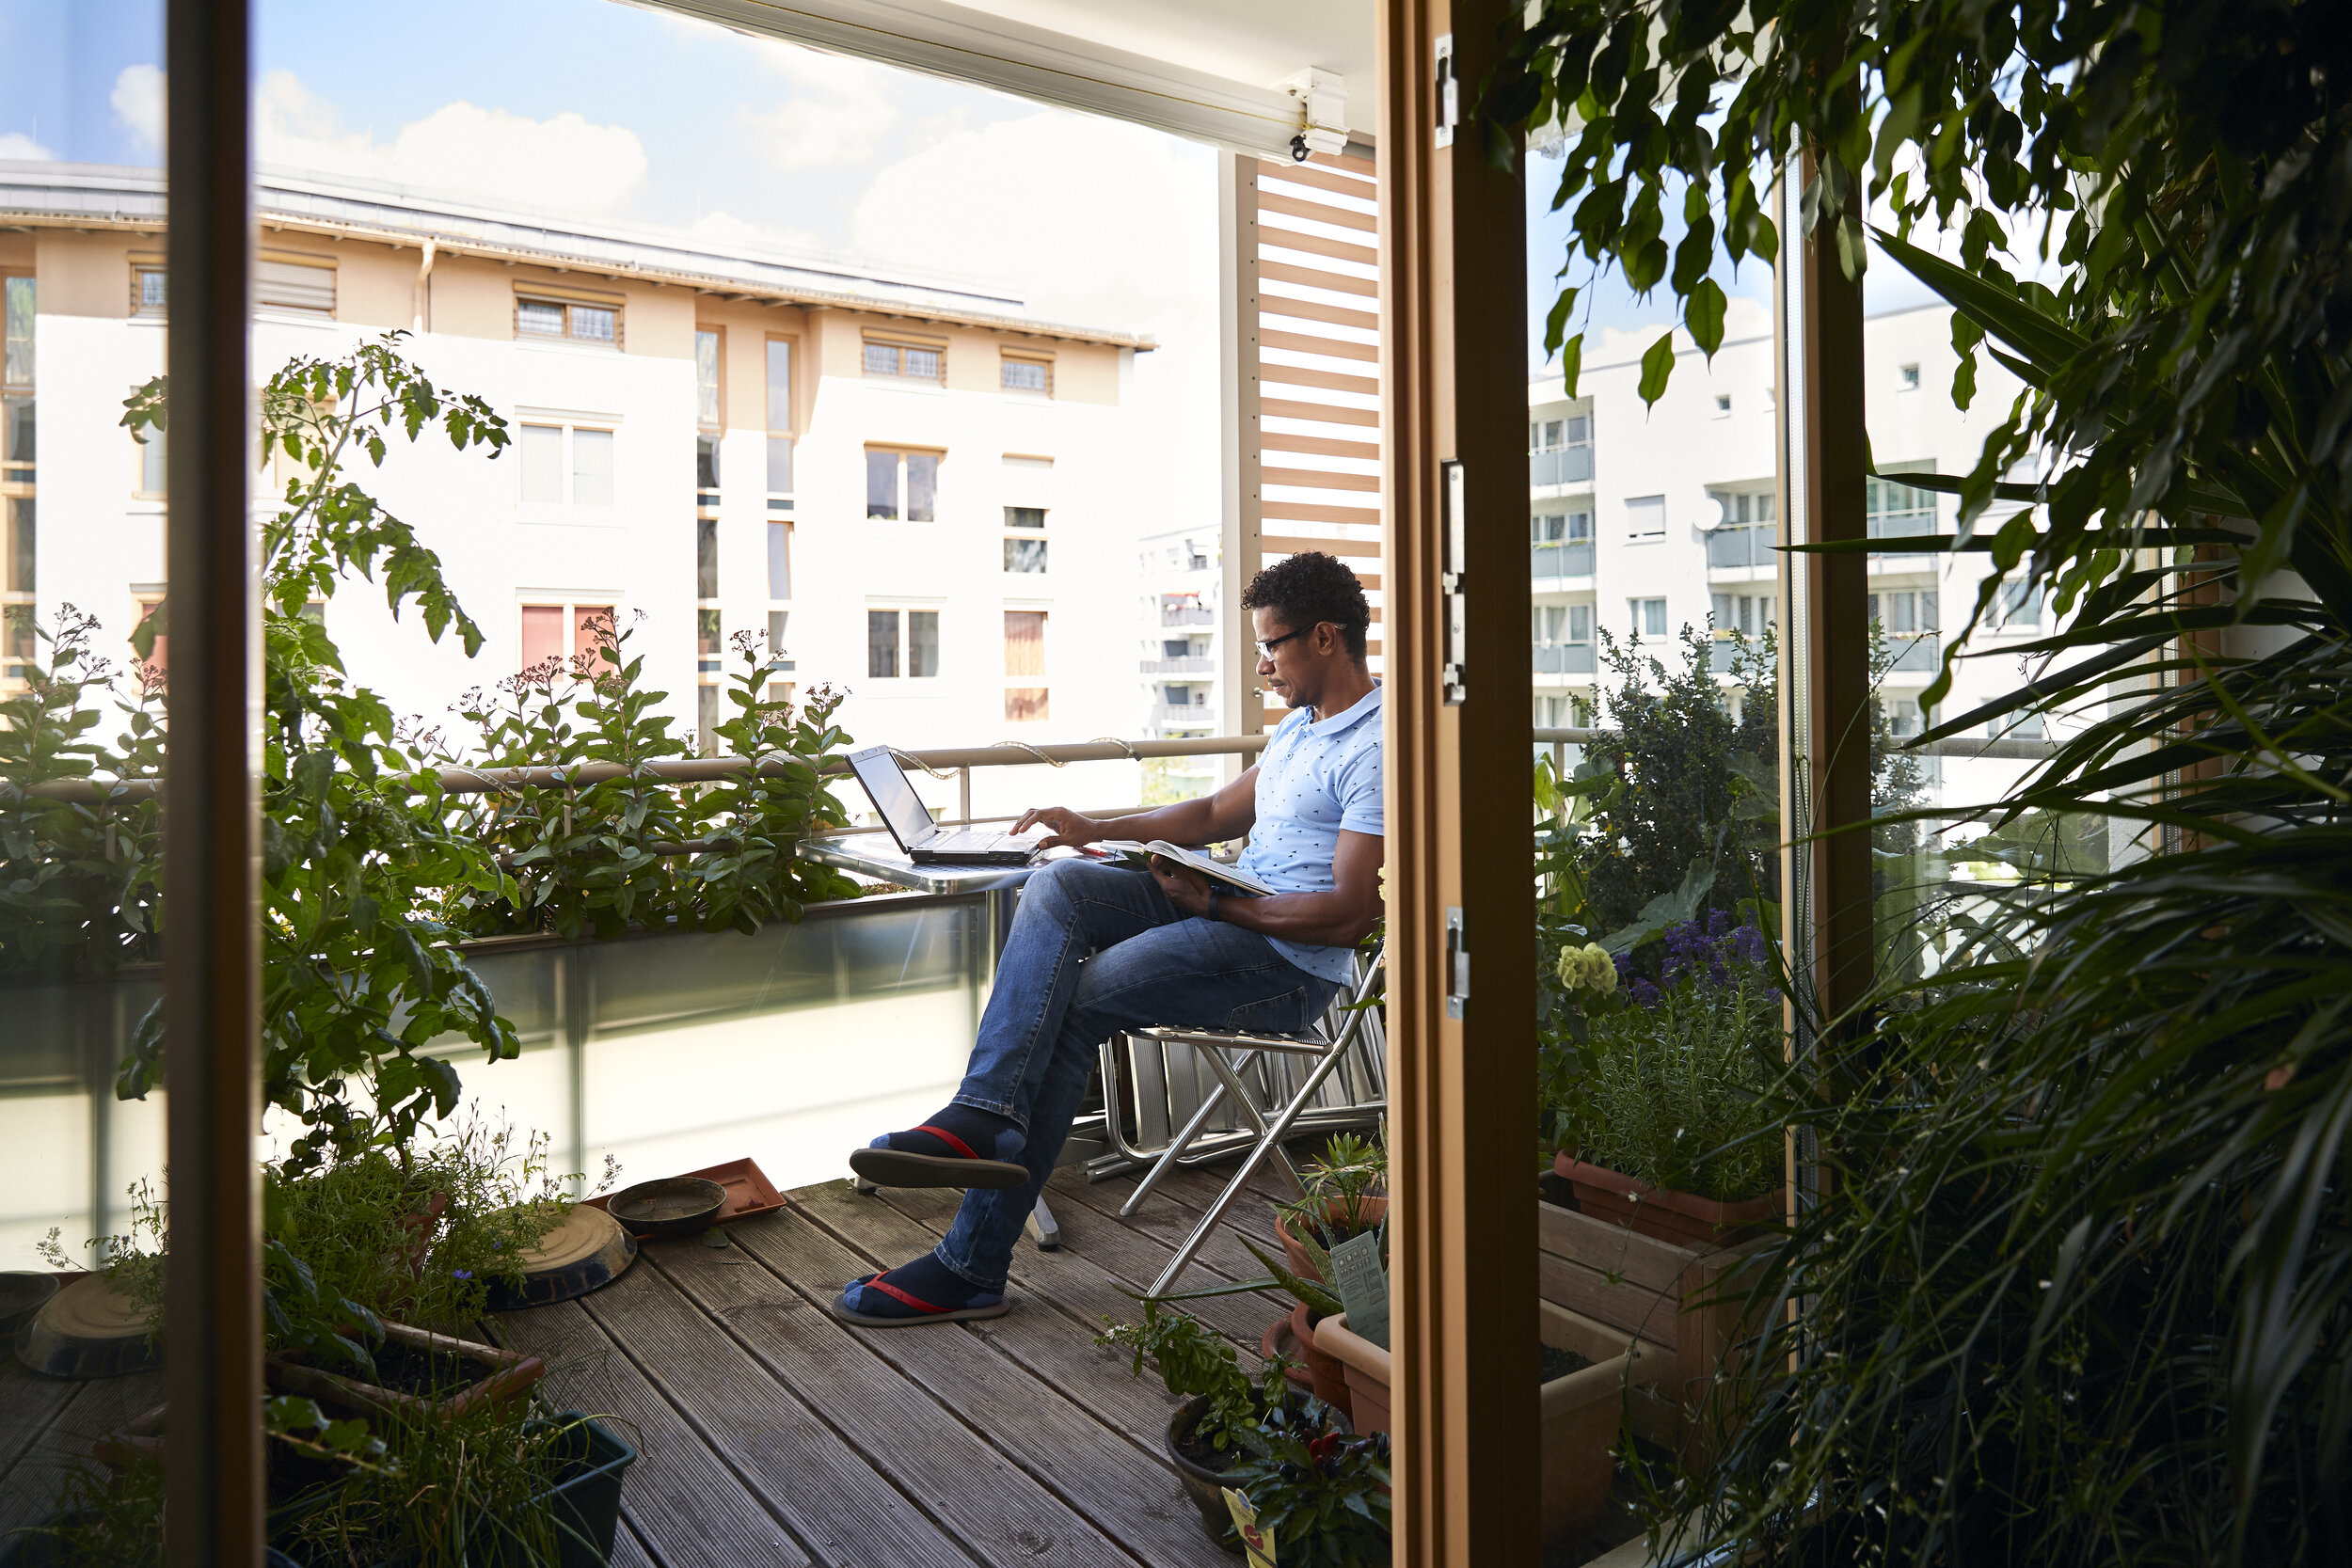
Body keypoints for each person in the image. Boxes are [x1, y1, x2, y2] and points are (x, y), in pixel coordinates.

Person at [832, 550, 1385, 1326]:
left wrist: (1216, 906)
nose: (1263, 665)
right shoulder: (1301, 728)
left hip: (1283, 961)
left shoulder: (1378, 748)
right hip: (1228, 903)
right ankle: (984, 1110)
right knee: (1058, 882)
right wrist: (1095, 826)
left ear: (1324, 638)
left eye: (1272, 646)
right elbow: (1212, 815)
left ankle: (969, 1265)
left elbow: (1350, 913)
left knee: (1077, 1006)